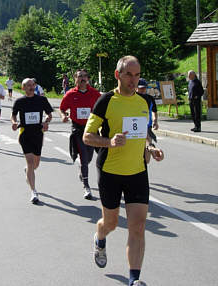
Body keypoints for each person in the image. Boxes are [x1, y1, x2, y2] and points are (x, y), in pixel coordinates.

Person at [83, 56, 164, 286]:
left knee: (137, 226)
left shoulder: (142, 102)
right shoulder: (106, 101)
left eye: (137, 75)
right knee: (110, 224)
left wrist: (151, 147)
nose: (133, 79)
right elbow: (87, 136)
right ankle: (100, 238)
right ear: (118, 75)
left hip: (138, 171)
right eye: (129, 74)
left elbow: (143, 131)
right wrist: (109, 142)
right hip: (111, 171)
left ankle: (134, 279)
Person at [60, 69, 100, 200]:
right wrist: (63, 116)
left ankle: (83, 173)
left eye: (84, 76)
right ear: (75, 79)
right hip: (78, 130)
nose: (82, 78)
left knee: (88, 158)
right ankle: (87, 186)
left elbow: (103, 108)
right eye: (79, 77)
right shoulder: (70, 94)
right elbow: (62, 109)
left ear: (88, 78)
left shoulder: (95, 93)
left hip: (92, 130)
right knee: (83, 158)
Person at [11, 78, 53, 204]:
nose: (31, 87)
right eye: (28, 85)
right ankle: (33, 191)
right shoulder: (19, 101)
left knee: (36, 164)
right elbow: (13, 114)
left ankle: (28, 171)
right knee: (29, 162)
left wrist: (46, 122)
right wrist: (14, 122)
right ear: (23, 88)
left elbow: (49, 114)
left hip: (38, 135)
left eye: (32, 85)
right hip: (25, 134)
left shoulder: (41, 100)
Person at [136, 78, 159, 143]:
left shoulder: (150, 98)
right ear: (136, 88)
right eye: (141, 88)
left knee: (149, 144)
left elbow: (154, 111)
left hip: (148, 125)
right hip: (135, 125)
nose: (143, 89)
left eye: (144, 88)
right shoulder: (132, 98)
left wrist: (155, 121)